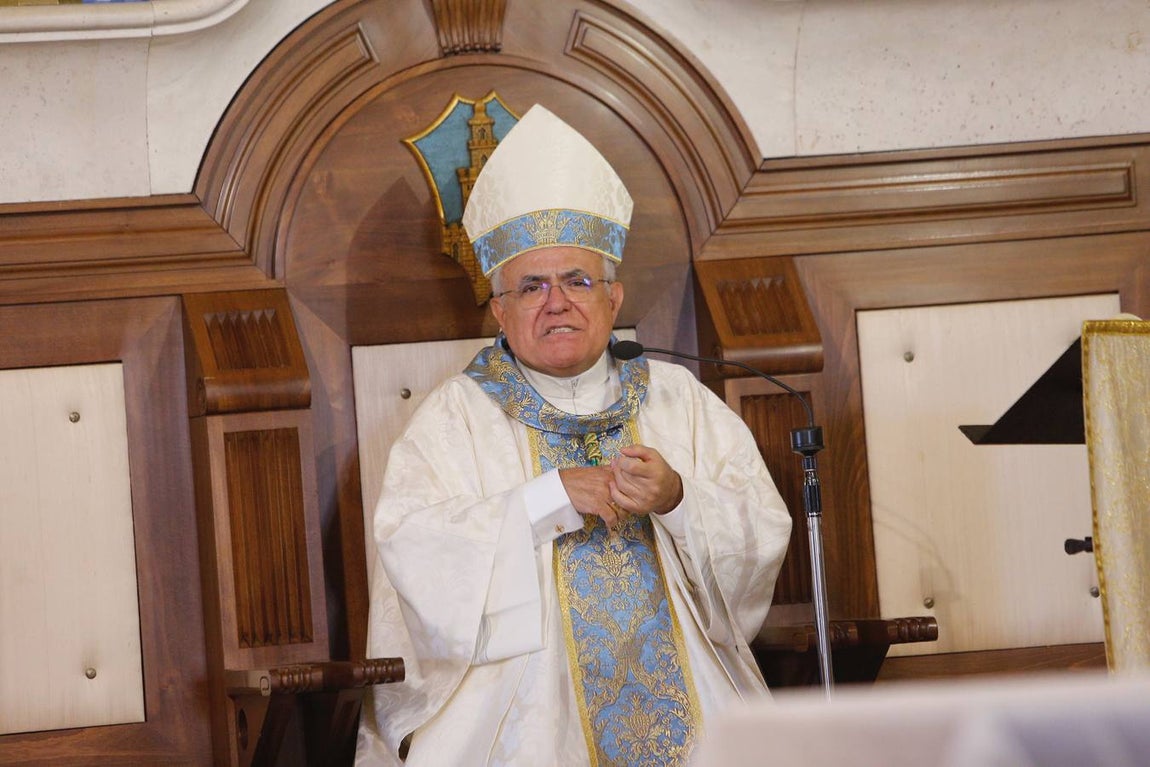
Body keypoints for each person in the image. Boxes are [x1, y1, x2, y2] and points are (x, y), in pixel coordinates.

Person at [356, 105, 792, 766]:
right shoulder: (456, 418)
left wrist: (678, 499)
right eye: (531, 286)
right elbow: (414, 552)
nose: (557, 301)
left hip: (695, 690)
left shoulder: (679, 400)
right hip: (523, 700)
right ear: (499, 309)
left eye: (577, 280)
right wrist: (548, 497)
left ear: (613, 298)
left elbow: (759, 532)